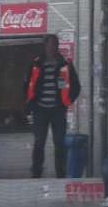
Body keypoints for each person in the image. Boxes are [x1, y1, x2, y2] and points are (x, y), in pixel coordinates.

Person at [24, 35, 80, 179]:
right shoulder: (36, 63)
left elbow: (76, 86)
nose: (53, 48)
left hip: (58, 110)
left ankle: (60, 173)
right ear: (45, 46)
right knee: (39, 142)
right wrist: (30, 103)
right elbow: (27, 84)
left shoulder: (64, 64)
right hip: (40, 110)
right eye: (50, 45)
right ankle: (36, 173)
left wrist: (66, 102)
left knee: (59, 143)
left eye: (55, 45)